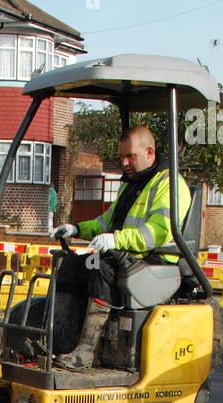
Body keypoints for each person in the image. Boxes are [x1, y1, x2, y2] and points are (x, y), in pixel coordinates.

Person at [52, 126, 191, 368]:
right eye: (122, 157)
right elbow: (106, 222)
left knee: (101, 268)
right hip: (127, 256)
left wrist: (117, 240)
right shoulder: (132, 185)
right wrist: (76, 229)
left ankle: (86, 351)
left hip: (154, 260)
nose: (124, 162)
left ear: (149, 152)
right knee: (70, 267)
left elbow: (157, 233)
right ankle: (60, 342)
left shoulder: (170, 185)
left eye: (131, 156)